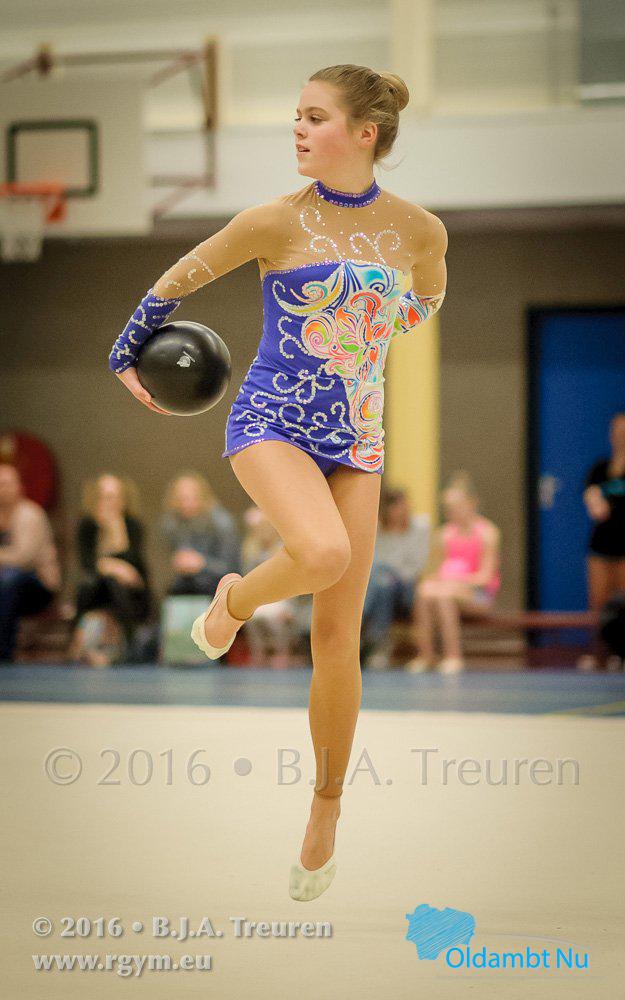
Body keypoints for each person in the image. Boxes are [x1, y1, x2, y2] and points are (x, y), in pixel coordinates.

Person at [108, 64, 447, 901]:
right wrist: (125, 353)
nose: (297, 128)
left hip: (357, 438)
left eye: (314, 117)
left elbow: (427, 300)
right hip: (272, 421)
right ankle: (232, 602)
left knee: (337, 638)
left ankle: (325, 807)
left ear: (364, 133)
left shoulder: (418, 230)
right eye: (295, 115)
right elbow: (176, 280)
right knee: (322, 552)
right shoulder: (273, 220)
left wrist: (364, 333)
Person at [407, 472, 500, 674]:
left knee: (444, 595)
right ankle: (426, 655)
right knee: (423, 592)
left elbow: (485, 577)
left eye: (457, 506)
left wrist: (454, 581)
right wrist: (433, 581)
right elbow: (434, 572)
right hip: (447, 587)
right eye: (448, 507)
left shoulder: (487, 533)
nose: (452, 511)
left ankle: (453, 656)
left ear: (472, 503)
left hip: (478, 594)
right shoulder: (444, 534)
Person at [71, 474, 151, 666]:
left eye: (114, 497)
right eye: (104, 497)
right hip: (96, 589)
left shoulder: (132, 525)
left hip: (130, 590)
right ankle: (78, 640)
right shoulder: (87, 525)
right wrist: (113, 566)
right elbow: (87, 563)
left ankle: (130, 642)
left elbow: (135, 566)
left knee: (113, 582)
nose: (109, 502)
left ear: (123, 500)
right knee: (96, 582)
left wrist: (116, 531)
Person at [361, 486, 430, 669]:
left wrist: (392, 572)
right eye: (395, 506)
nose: (401, 510)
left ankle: (361, 623)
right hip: (382, 584)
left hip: (407, 585)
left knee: (381, 577)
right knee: (382, 583)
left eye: (403, 505)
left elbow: (417, 565)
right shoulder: (378, 529)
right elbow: (372, 560)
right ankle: (378, 643)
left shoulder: (420, 527)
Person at [0, 464, 61, 662]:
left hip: (38, 585)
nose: (2, 488)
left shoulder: (30, 514)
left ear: (19, 486)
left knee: (10, 578)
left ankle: (4, 651)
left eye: (6, 483)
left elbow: (23, 558)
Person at [580, 412, 625, 670]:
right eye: (616, 432)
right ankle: (599, 655)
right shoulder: (600, 468)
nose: (620, 437)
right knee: (598, 603)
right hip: (601, 546)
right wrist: (595, 501)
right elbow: (592, 497)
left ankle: (621, 654)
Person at [161, 473, 241, 596]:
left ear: (204, 498)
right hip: (187, 585)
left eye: (191, 499)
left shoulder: (222, 523)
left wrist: (202, 563)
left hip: (217, 585)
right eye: (180, 500)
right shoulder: (172, 523)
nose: (186, 505)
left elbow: (232, 568)